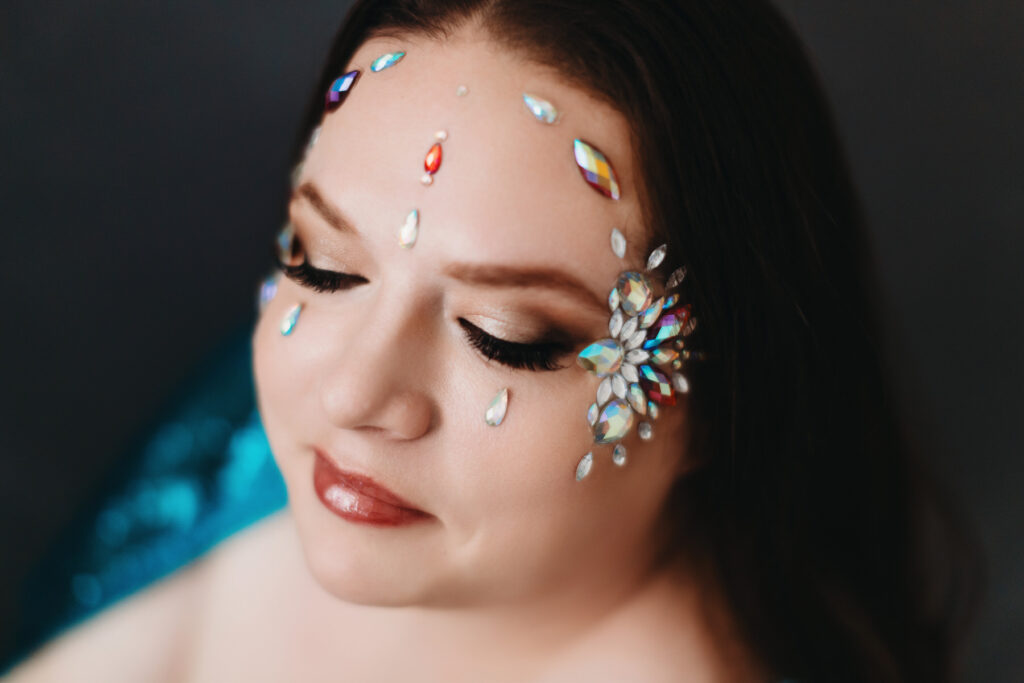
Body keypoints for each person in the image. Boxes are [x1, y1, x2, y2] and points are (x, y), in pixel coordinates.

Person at [3, 1, 977, 681]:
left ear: (730, 395)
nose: (353, 389)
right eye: (321, 262)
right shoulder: (279, 439)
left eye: (506, 338)